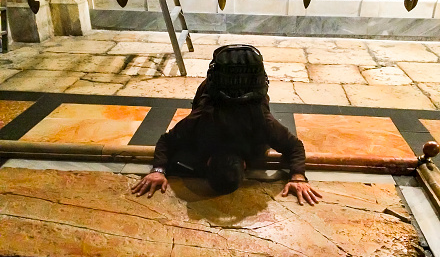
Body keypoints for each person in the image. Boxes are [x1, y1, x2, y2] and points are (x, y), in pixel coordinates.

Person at [131, 45, 321, 206]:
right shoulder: (210, 120)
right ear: (245, 165)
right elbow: (166, 141)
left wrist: (298, 177)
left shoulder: (210, 120)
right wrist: (158, 171)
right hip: (229, 95)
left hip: (234, 98)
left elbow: (295, 146)